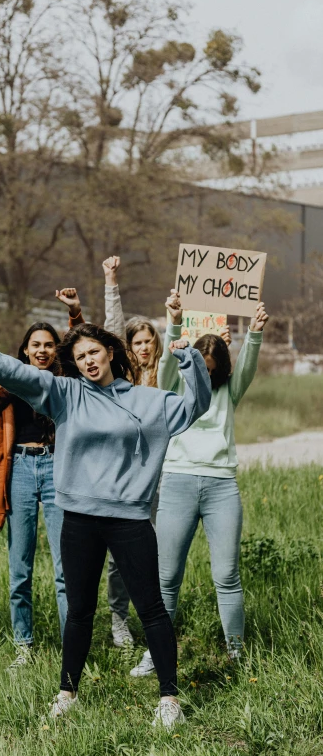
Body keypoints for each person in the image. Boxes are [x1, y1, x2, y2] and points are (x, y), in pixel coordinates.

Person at [0, 322, 211, 728]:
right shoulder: (66, 394)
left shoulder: (149, 400)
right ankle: (67, 691)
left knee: (152, 610)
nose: (88, 361)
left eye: (94, 352)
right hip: (80, 519)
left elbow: (197, 405)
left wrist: (188, 358)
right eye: (80, 356)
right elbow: (20, 374)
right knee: (80, 612)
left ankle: (169, 698)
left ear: (110, 352)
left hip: (130, 519)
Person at [130, 290, 269, 677]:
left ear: (221, 369)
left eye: (211, 370)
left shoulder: (230, 390)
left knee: (227, 575)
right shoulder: (176, 387)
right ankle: (154, 655)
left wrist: (254, 332)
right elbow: (168, 367)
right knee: (167, 578)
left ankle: (236, 654)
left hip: (222, 485)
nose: (204, 376)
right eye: (199, 368)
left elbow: (248, 365)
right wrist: (174, 318)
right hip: (177, 483)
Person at [0, 289, 83, 668]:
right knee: (20, 568)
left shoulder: (65, 383)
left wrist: (74, 313)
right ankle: (23, 648)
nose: (42, 350)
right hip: (22, 470)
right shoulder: (9, 385)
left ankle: (70, 649)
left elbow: (82, 345)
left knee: (65, 569)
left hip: (57, 467)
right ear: (25, 350)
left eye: (48, 345)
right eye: (35, 345)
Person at [101, 255, 164, 649]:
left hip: (158, 475)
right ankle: (118, 618)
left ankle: (153, 614)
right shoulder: (121, 376)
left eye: (147, 341)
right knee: (116, 555)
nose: (142, 347)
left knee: (153, 547)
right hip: (121, 474)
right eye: (136, 342)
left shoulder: (165, 377)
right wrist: (111, 283)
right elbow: (110, 332)